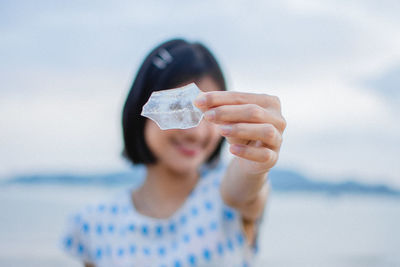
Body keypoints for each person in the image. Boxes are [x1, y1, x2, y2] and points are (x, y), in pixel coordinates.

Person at [61, 38, 286, 267]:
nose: (196, 134)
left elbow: (244, 193)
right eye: (178, 110)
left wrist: (253, 164)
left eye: (210, 114)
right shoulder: (95, 224)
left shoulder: (224, 197)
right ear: (142, 109)